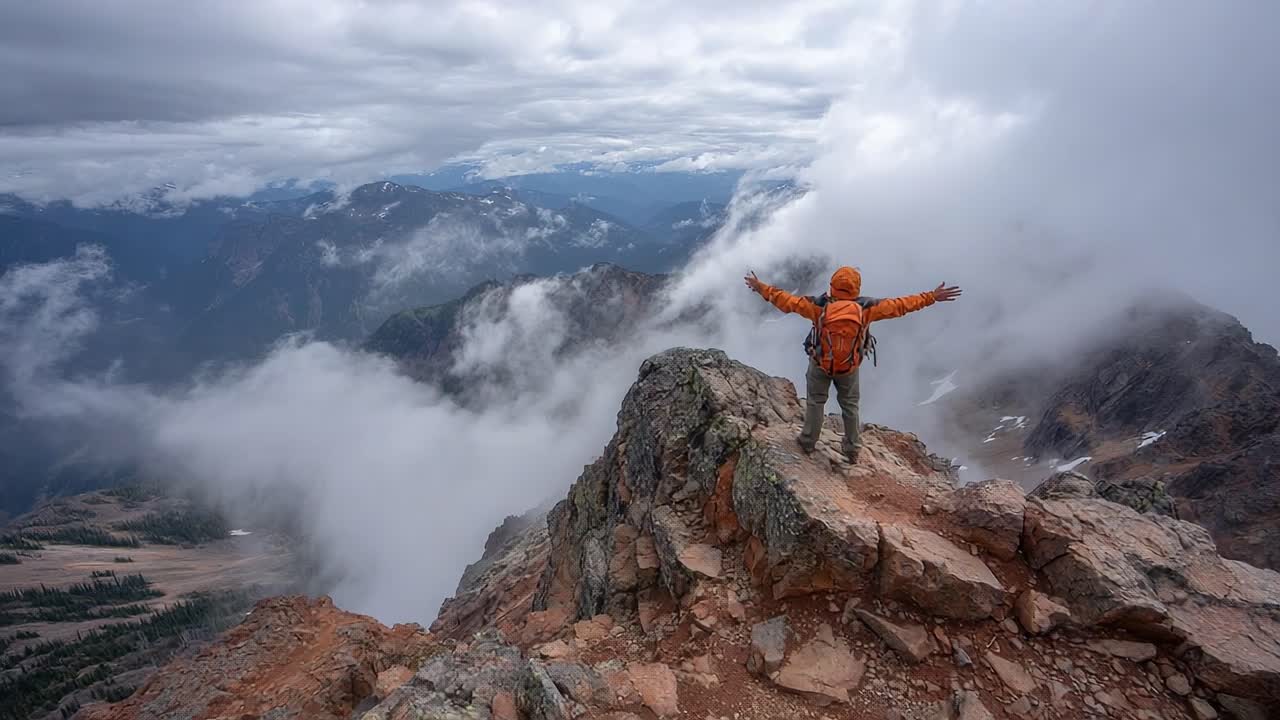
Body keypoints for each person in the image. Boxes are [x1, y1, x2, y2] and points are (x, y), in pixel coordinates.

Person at [744, 266, 961, 462]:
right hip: (849, 367)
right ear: (857, 288)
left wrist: (760, 287)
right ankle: (852, 449)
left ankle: (808, 442)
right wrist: (932, 297)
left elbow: (785, 301)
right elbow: (902, 305)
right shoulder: (867, 309)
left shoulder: (817, 307)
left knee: (816, 402)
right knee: (850, 406)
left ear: (832, 286)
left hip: (820, 363)